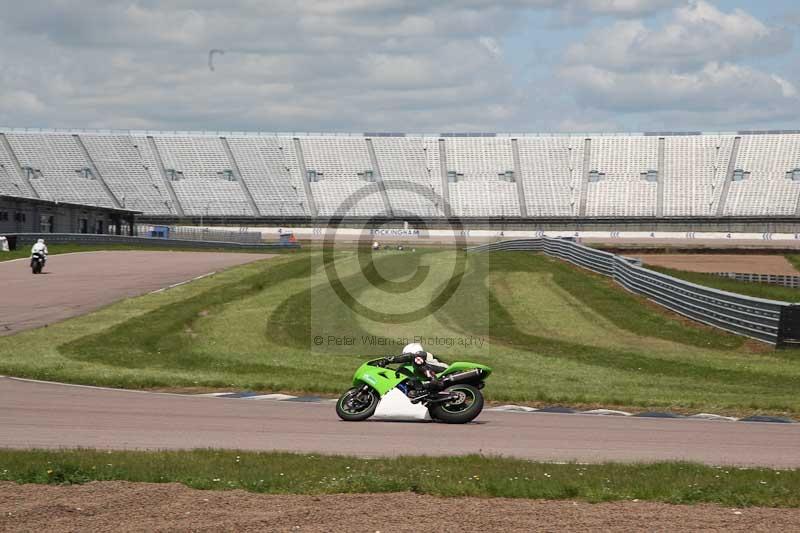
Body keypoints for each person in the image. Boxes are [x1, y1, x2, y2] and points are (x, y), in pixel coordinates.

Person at [377, 342, 448, 396]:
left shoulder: (421, 355)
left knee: (416, 359)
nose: (404, 359)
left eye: (404, 355)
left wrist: (387, 360)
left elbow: (411, 357)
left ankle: (433, 381)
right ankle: (425, 388)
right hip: (435, 376)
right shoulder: (418, 366)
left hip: (443, 370)